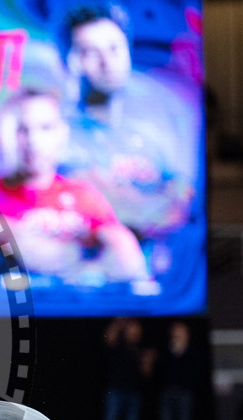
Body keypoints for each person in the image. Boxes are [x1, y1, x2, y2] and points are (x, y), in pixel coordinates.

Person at [0, 88, 150, 287]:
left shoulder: (84, 195)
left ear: (62, 133)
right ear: (2, 136)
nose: (33, 141)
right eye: (22, 129)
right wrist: (83, 258)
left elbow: (125, 255)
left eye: (45, 128)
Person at [57, 1, 198, 241]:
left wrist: (122, 202)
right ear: (69, 60)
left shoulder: (150, 136)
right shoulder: (55, 136)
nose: (107, 61)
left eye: (115, 48)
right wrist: (149, 203)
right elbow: (88, 213)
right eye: (91, 51)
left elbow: (182, 205)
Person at [98, 317, 153, 420]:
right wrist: (118, 322)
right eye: (132, 329)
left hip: (133, 393)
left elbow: (146, 374)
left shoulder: (141, 349)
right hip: (115, 391)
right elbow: (108, 339)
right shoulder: (118, 344)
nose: (135, 332)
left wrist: (147, 362)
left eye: (137, 330)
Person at [157, 320, 197, 420]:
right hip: (167, 393)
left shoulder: (191, 350)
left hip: (184, 394)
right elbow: (160, 370)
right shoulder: (166, 349)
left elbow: (195, 372)